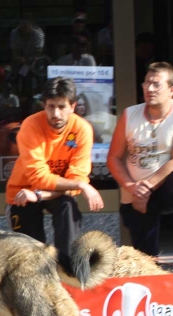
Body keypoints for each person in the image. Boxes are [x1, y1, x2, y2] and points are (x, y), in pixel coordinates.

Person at [6, 77, 104, 256]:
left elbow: (76, 179)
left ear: (72, 107)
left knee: (68, 207)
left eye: (62, 107)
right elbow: (39, 178)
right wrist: (81, 185)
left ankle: (67, 269)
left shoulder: (82, 129)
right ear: (44, 105)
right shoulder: (30, 125)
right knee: (29, 256)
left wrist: (41, 195)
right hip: (24, 191)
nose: (56, 114)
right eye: (51, 106)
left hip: (50, 193)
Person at [107, 61, 173, 258]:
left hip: (165, 187)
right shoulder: (129, 115)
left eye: (156, 84)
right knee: (146, 259)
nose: (149, 89)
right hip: (136, 194)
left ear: (172, 89)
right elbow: (114, 158)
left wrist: (148, 186)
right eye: (146, 83)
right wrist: (133, 187)